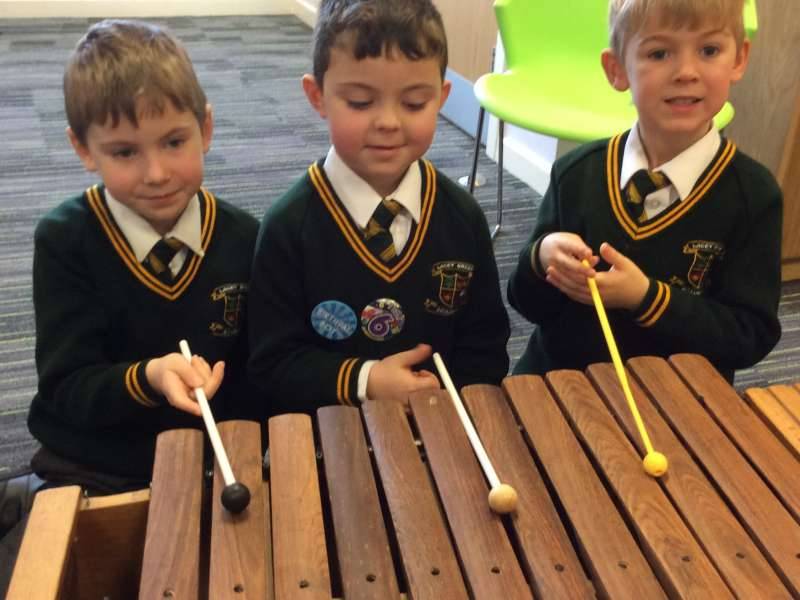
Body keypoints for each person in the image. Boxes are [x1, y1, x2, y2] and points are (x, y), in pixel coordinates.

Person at [26, 19, 260, 494]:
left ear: (206, 129)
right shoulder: (65, 240)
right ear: (83, 149)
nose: (156, 173)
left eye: (174, 142)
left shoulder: (247, 236)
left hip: (217, 459)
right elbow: (67, 387)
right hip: (97, 461)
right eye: (125, 152)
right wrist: (150, 376)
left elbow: (264, 367)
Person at [248, 0, 510, 413]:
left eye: (413, 103)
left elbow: (487, 345)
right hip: (330, 436)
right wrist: (366, 381)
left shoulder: (462, 216)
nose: (388, 122)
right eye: (359, 102)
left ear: (441, 97)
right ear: (317, 97)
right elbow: (270, 364)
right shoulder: (288, 226)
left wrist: (446, 406)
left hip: (440, 426)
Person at [508, 0, 781, 382]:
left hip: (676, 400)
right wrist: (541, 260)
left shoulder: (754, 196)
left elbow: (750, 336)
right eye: (659, 52)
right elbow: (528, 304)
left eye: (709, 50)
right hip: (562, 386)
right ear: (617, 70)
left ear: (739, 59)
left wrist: (648, 299)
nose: (686, 72)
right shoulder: (576, 173)